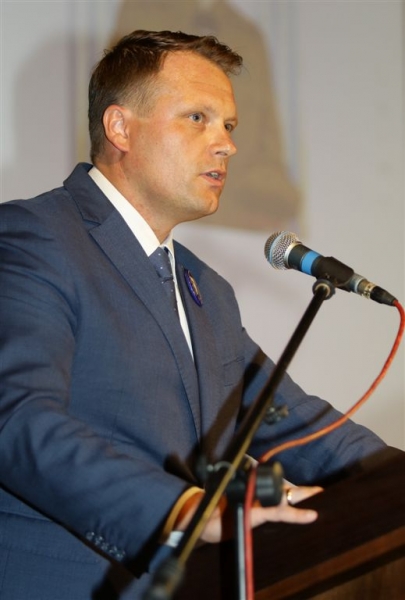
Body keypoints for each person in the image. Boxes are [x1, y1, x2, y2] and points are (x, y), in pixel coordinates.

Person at [0, 30, 386, 600]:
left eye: (229, 126)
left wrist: (394, 478)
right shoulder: (34, 237)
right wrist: (183, 510)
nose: (226, 145)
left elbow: (298, 424)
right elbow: (16, 419)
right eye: (198, 119)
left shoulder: (208, 291)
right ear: (120, 127)